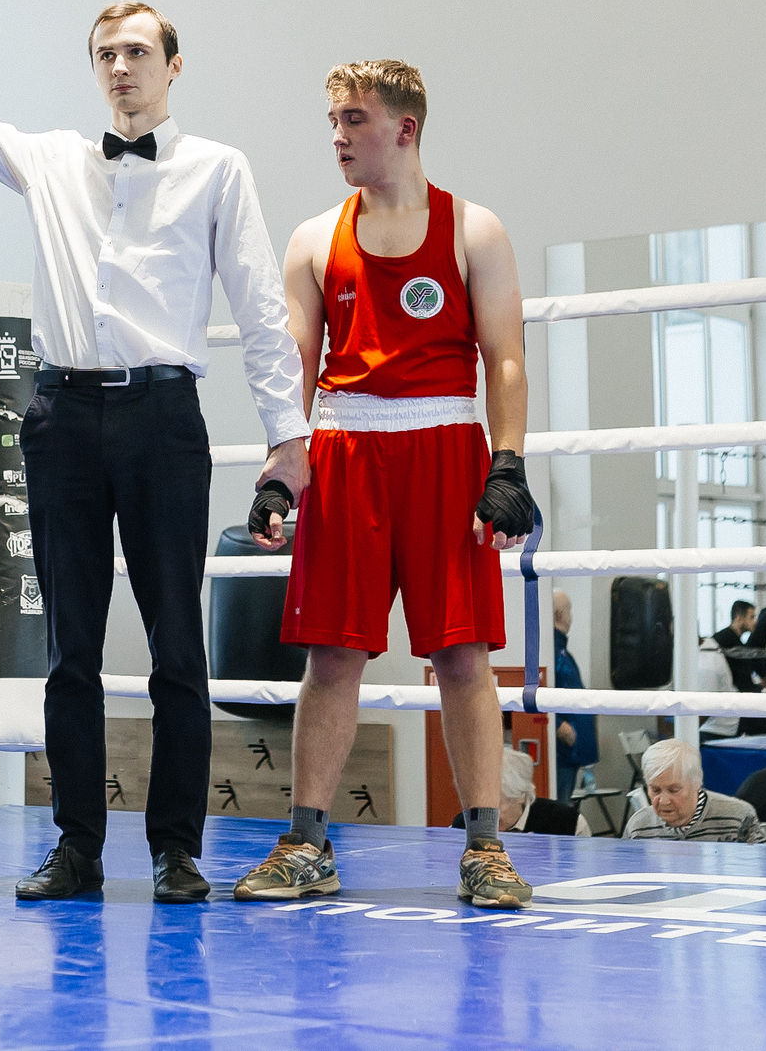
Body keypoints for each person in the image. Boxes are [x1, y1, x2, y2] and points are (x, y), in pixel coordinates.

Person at [0, 0, 308, 906]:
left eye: (137, 51)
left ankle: (177, 849)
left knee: (178, 645)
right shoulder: (51, 158)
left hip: (164, 416)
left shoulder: (218, 168)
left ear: (174, 64)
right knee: (69, 650)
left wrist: (288, 439)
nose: (121, 67)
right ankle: (76, 847)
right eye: (105, 54)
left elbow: (258, 308)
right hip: (59, 414)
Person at [230, 59, 537, 910]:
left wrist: (507, 462)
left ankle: (485, 848)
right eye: (332, 120)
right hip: (345, 449)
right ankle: (306, 842)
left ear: (405, 128)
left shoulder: (474, 230)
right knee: (332, 655)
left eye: (354, 119)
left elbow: (506, 357)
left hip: (445, 447)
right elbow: (293, 367)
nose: (337, 136)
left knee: (463, 654)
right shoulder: (311, 239)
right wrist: (281, 471)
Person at [622, 739, 765, 843]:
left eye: (674, 790)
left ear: (697, 783)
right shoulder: (638, 826)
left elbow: (764, 866)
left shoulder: (738, 817)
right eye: (655, 790)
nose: (664, 801)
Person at [449, 748, 590, 837]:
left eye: (494, 804)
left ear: (521, 796)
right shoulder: (461, 826)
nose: (485, 815)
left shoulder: (567, 823)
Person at [550, 591, 597, 801]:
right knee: (559, 808)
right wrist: (559, 725)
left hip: (572, 752)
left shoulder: (561, 652)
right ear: (560, 614)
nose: (571, 616)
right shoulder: (550, 651)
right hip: (563, 752)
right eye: (569, 610)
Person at [713, 599, 760, 691]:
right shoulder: (728, 642)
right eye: (751, 617)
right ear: (739, 617)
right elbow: (742, 681)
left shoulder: (728, 638)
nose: (755, 622)